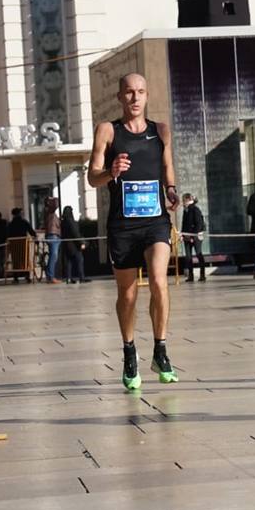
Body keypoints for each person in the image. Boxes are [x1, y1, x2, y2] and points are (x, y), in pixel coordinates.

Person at [86, 72, 181, 390]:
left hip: (155, 220)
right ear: (120, 97)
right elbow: (92, 176)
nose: (135, 98)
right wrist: (110, 172)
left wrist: (171, 190)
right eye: (129, 92)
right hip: (123, 224)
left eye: (140, 91)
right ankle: (129, 352)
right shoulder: (108, 131)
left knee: (158, 280)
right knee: (127, 294)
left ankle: (161, 349)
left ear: (147, 95)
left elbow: (167, 167)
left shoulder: (161, 131)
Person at [181, 193, 207, 282]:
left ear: (188, 200)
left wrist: (193, 235)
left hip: (196, 236)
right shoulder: (186, 210)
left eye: (184, 200)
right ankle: (190, 276)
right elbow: (184, 223)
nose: (183, 202)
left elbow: (199, 224)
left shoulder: (195, 210)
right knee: (188, 256)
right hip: (187, 236)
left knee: (199, 254)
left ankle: (202, 275)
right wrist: (182, 234)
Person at [5, 207, 35, 284]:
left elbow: (7, 234)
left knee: (15, 261)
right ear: (19, 213)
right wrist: (35, 237)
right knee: (25, 259)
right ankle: (27, 276)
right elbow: (31, 231)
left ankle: (16, 278)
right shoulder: (24, 222)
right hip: (24, 245)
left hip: (14, 245)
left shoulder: (10, 224)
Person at [60, 205, 89, 284]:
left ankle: (68, 278)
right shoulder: (71, 222)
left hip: (66, 244)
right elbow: (75, 233)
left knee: (68, 262)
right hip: (74, 245)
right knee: (79, 260)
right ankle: (81, 277)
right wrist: (81, 243)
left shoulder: (63, 222)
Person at [42, 196, 62, 284]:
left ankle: (51, 275)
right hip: (52, 235)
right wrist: (52, 198)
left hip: (54, 235)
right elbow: (56, 204)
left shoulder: (50, 212)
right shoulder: (49, 211)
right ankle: (50, 276)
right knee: (53, 256)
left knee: (54, 256)